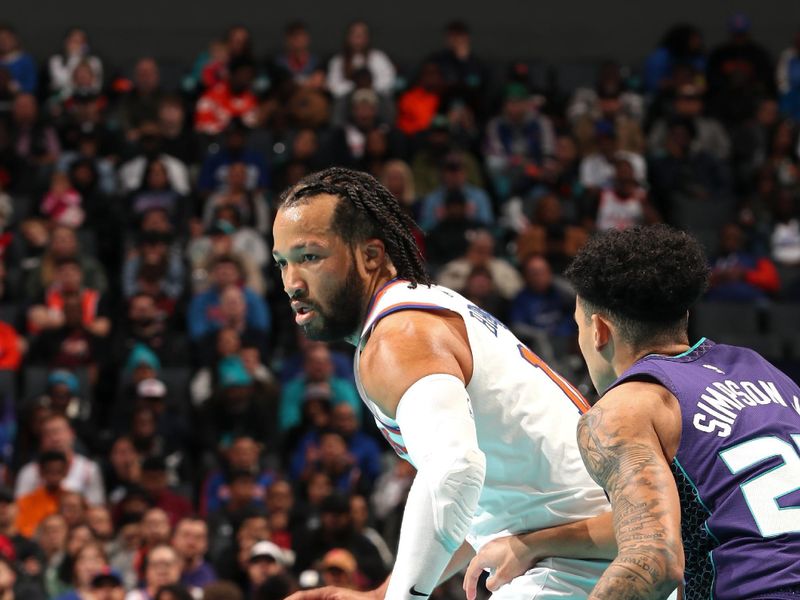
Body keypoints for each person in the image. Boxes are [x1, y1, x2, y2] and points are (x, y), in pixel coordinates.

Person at [273, 167, 613, 600]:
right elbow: (482, 499)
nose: (292, 284)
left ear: (371, 256)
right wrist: (383, 594)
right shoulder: (427, 306)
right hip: (591, 552)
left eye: (310, 257)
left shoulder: (398, 337)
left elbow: (454, 472)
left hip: (575, 570)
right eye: (282, 263)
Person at [470, 224, 800, 598]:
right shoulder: (764, 373)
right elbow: (664, 521)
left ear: (599, 331)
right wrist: (535, 543)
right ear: (684, 316)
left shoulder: (625, 408)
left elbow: (654, 560)